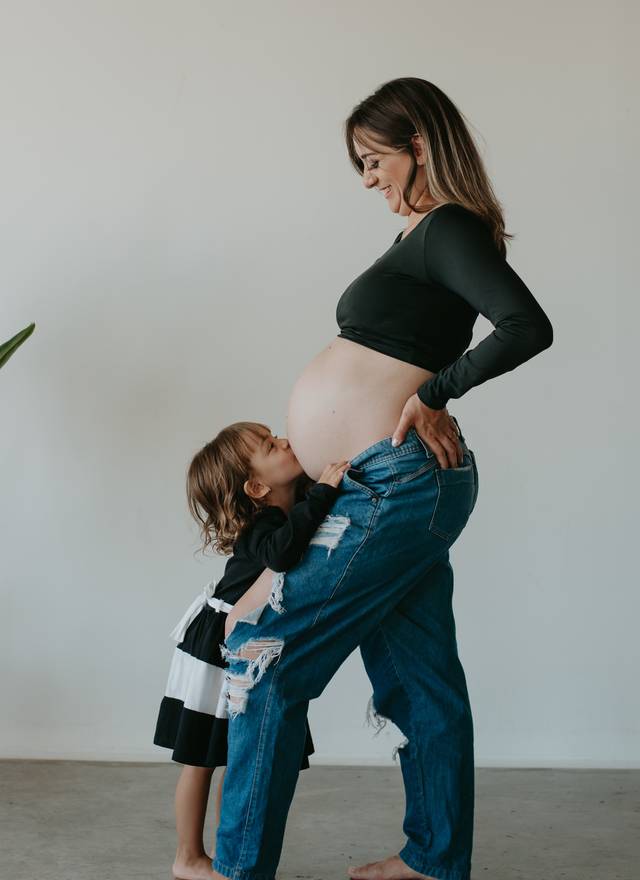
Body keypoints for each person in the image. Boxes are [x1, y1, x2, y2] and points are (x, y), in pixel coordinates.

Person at [210, 77, 554, 880]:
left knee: (263, 657)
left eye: (373, 159)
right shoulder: (421, 237)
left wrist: (434, 392)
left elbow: (525, 326)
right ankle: (434, 860)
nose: (367, 178)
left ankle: (235, 871)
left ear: (420, 144)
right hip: (387, 485)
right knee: (421, 681)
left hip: (394, 485)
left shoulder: (448, 228)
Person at [153, 420, 351, 880]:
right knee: (201, 758)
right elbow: (283, 554)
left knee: (236, 755)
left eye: (275, 435)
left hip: (238, 639)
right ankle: (187, 857)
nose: (285, 441)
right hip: (216, 643)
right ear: (257, 486)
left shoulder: (290, 503)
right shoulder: (263, 525)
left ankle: (228, 851)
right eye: (271, 445)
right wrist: (322, 492)